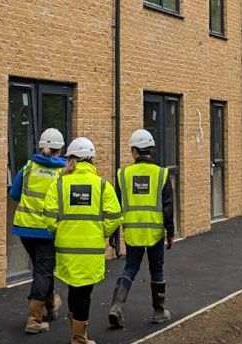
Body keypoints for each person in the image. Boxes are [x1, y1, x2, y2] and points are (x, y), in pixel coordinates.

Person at [42, 137, 122, 344]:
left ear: (71, 159)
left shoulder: (59, 184)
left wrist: (62, 231)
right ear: (91, 159)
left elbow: (49, 218)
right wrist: (100, 232)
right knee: (84, 294)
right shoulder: (102, 185)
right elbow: (115, 217)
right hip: (91, 252)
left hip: (66, 250)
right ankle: (79, 337)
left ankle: (75, 335)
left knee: (73, 290)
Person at [107, 128, 175, 328]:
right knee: (157, 270)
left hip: (132, 233)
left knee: (129, 268)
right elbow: (168, 207)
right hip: (155, 234)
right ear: (150, 151)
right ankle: (159, 311)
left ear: (135, 151)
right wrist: (170, 232)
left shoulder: (123, 175)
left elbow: (115, 207)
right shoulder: (161, 174)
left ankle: (116, 308)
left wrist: (114, 233)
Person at [8, 128, 68, 334]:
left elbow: (15, 194)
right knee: (43, 271)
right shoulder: (64, 173)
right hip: (47, 231)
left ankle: (50, 305)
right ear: (60, 150)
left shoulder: (28, 167)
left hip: (25, 229)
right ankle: (34, 319)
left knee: (42, 268)